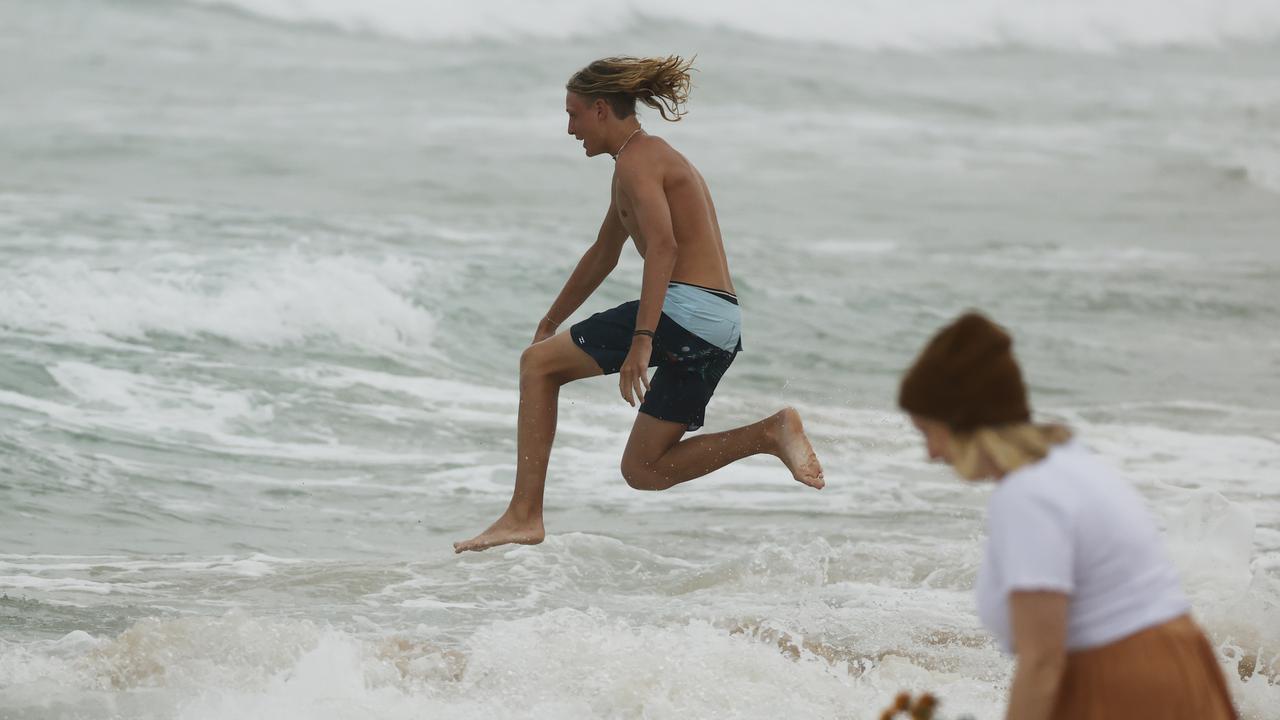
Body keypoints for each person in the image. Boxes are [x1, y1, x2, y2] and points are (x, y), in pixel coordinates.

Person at [454, 56, 824, 554]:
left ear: (601, 110)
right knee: (645, 470)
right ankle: (770, 433)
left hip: (686, 311)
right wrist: (550, 320)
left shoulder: (639, 160)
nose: (569, 129)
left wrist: (642, 340)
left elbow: (664, 247)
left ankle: (524, 514)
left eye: (573, 115)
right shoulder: (639, 162)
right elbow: (605, 252)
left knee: (538, 367)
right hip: (718, 326)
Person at [898, 312, 1237, 720]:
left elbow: (1043, 661)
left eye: (927, 432)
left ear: (965, 423)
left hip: (1125, 685)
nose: (931, 453)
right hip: (1174, 665)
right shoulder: (1066, 463)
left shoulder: (1028, 495)